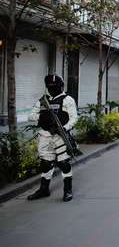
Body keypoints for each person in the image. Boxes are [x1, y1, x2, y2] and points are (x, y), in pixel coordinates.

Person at [27, 74, 78, 202]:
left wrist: (64, 128)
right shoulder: (42, 100)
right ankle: (44, 189)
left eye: (55, 86)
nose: (52, 89)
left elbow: (74, 119)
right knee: (45, 163)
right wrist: (42, 118)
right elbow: (31, 115)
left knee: (64, 163)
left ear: (61, 86)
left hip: (60, 135)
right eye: (50, 87)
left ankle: (67, 190)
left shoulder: (68, 100)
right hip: (45, 136)